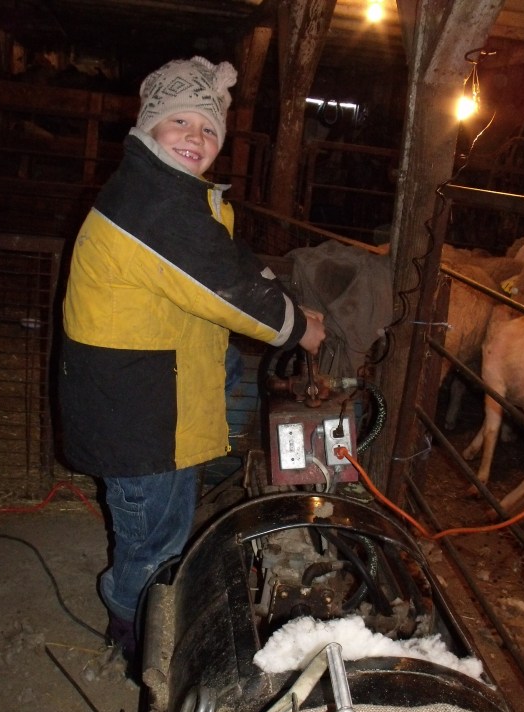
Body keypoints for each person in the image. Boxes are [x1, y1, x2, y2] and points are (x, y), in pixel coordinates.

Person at [57, 55, 326, 670]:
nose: (195, 137)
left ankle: (146, 620)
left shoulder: (164, 194)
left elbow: (224, 260)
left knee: (164, 521)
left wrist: (284, 297)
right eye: (179, 122)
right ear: (147, 129)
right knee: (151, 542)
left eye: (207, 129)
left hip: (150, 400)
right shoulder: (153, 206)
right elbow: (227, 289)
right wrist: (297, 328)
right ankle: (136, 643)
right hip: (141, 416)